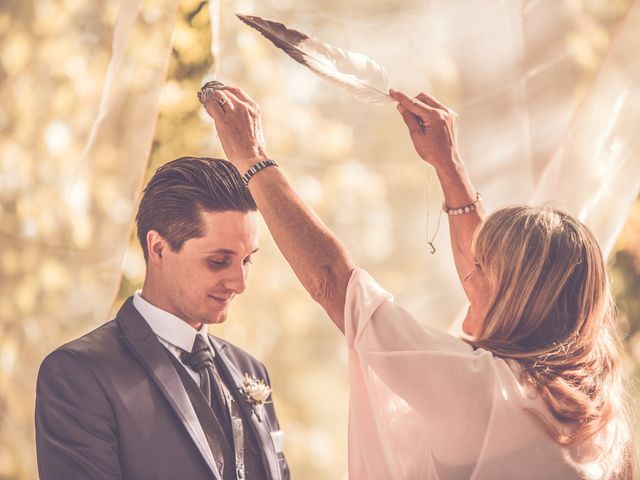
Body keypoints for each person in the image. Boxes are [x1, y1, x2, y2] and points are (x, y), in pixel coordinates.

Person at [202, 83, 633, 479]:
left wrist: (251, 156)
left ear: (518, 297)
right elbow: (483, 269)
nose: (468, 277)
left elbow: (334, 282)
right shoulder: (599, 419)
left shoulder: (482, 392)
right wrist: (448, 164)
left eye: (482, 270)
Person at [35, 157, 290, 480]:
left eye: (247, 260)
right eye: (219, 261)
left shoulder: (250, 370)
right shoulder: (79, 374)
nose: (239, 283)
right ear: (158, 249)